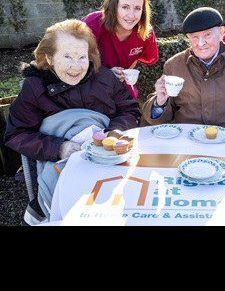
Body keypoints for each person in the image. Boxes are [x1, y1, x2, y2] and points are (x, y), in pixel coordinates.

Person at [4, 19, 141, 225]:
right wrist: (59, 148)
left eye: (82, 57)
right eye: (67, 56)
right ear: (49, 58)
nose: (76, 67)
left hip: (106, 159)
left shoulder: (104, 77)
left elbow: (129, 109)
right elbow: (16, 134)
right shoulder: (35, 87)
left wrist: (115, 132)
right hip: (60, 164)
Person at [142, 7, 225, 144]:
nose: (201, 43)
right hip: (187, 145)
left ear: (221, 32)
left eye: (207, 35)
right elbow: (157, 119)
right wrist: (159, 102)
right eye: (194, 37)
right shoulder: (174, 65)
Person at [81, 0, 159, 100]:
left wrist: (123, 74)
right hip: (88, 85)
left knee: (130, 111)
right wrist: (105, 74)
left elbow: (134, 59)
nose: (131, 15)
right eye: (125, 7)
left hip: (121, 88)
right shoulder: (93, 24)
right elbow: (73, 61)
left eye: (137, 8)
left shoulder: (145, 32)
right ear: (113, 7)